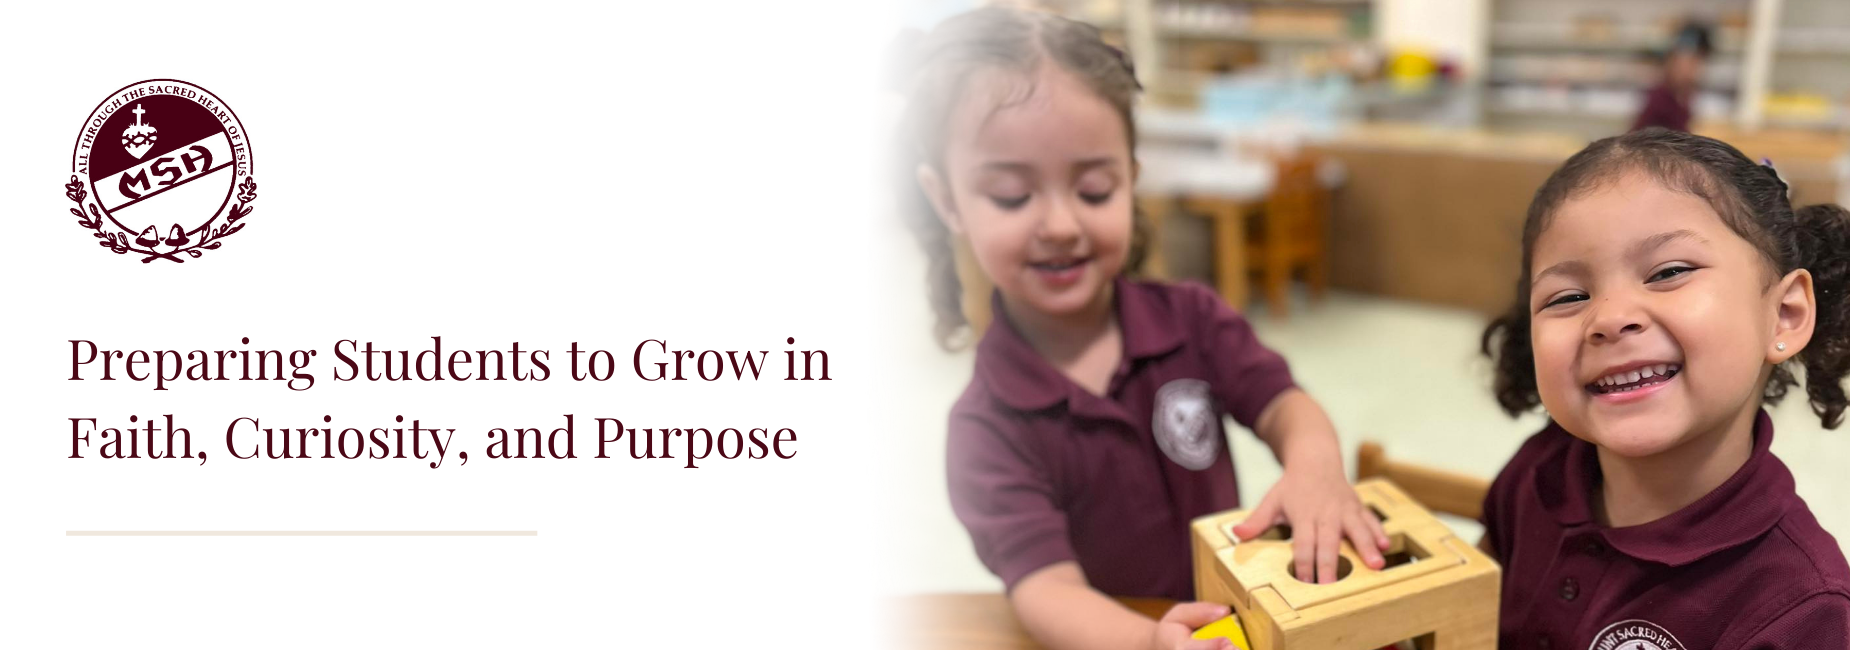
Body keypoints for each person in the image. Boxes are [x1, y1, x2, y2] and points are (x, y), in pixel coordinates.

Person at [896, 8, 1387, 649]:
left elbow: (1283, 406)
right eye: (1013, 197)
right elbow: (1046, 589)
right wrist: (1146, 641)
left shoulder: (1192, 319)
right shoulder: (986, 427)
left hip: (1238, 621)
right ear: (946, 201)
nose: (1061, 225)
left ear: (1131, 177)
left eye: (1094, 190)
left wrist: (1316, 465)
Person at [1480, 128, 1850, 647]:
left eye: (1669, 271)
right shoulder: (1537, 472)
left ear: (1784, 315)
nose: (1609, 318)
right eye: (1567, 297)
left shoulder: (1803, 608)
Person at [1632, 23, 1711, 132]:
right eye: (1683, 65)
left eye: (1695, 65)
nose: (1691, 71)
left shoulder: (1685, 94)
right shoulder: (1659, 96)